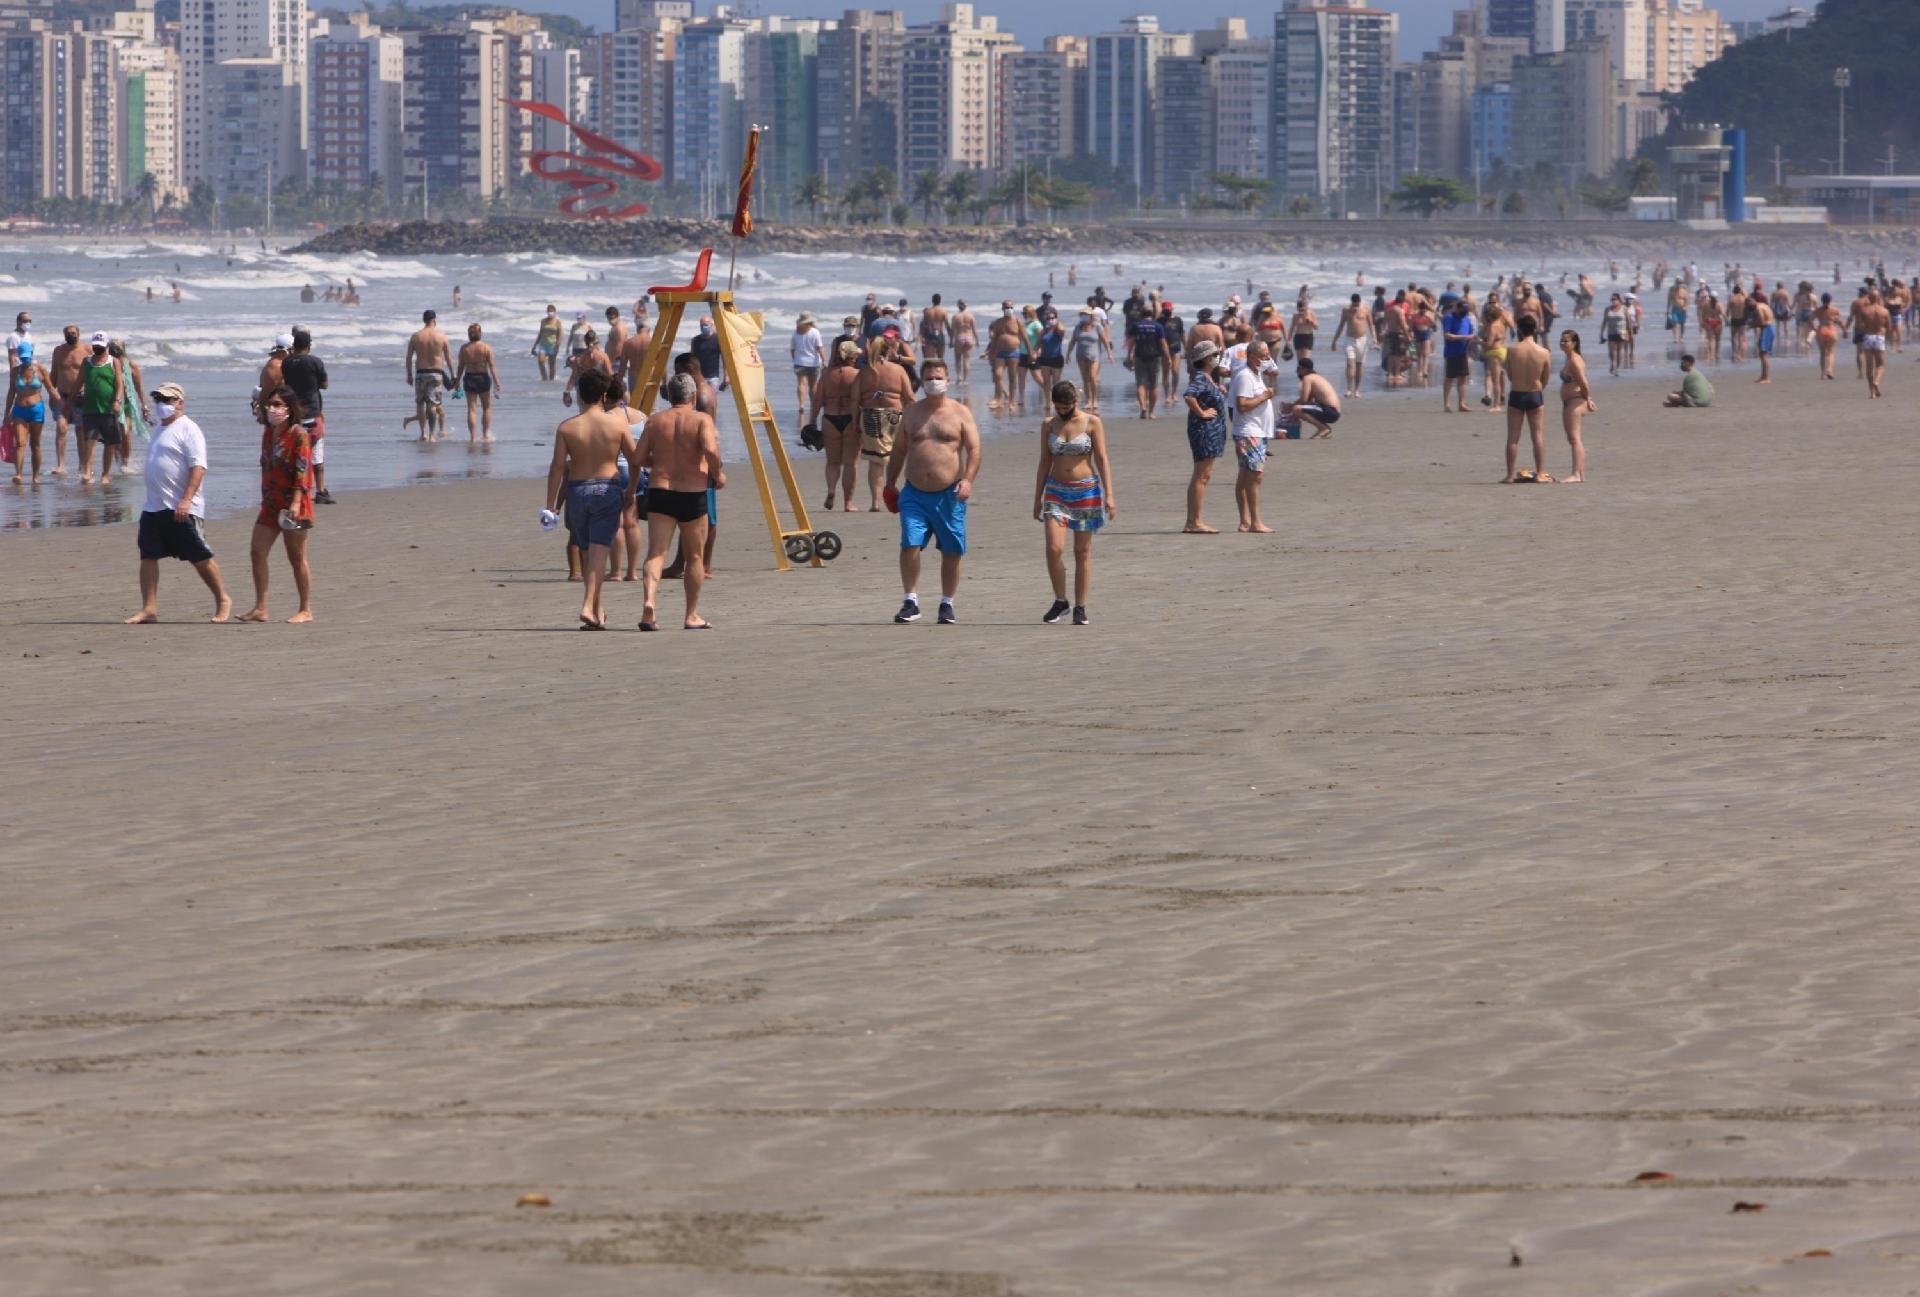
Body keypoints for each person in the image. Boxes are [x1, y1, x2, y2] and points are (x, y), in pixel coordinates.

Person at [125, 381, 231, 624]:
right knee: (148, 555)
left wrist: (186, 500)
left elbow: (198, 467)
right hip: (154, 506)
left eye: (168, 400)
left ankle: (223, 599)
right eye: (159, 400)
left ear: (180, 403)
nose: (163, 405)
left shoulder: (188, 429)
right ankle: (149, 608)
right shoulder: (160, 430)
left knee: (199, 556)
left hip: (181, 507)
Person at [886, 357, 980, 625]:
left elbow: (974, 450)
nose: (934, 381)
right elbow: (899, 450)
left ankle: (946, 603)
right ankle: (910, 601)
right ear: (922, 382)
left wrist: (968, 479)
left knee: (951, 550)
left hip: (949, 494)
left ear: (947, 380)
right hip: (914, 492)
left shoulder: (961, 413)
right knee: (910, 544)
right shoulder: (912, 413)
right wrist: (890, 482)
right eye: (928, 378)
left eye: (938, 377)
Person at [540, 370, 635, 629]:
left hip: (577, 492)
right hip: (606, 489)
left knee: (588, 553)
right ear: (605, 396)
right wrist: (632, 489)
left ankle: (597, 612)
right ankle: (586, 604)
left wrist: (551, 506)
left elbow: (557, 467)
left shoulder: (567, 427)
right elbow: (635, 460)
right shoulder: (617, 424)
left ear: (580, 394)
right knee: (598, 554)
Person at [635, 372, 724, 631]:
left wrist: (659, 463)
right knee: (695, 556)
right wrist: (717, 474)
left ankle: (649, 605)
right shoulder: (701, 419)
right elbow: (709, 448)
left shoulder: (655, 421)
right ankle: (691, 614)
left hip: (661, 490)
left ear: (669, 396)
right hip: (692, 491)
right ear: (694, 396)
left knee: (656, 553)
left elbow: (639, 457)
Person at [1033, 379, 1114, 626]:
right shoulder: (1048, 425)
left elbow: (1102, 459)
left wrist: (1109, 495)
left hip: (1086, 492)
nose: (1062, 411)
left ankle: (1080, 606)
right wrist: (1037, 498)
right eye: (1058, 407)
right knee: (1053, 548)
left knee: (1082, 551)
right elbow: (1044, 462)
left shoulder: (1092, 423)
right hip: (1056, 492)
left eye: (1066, 407)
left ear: (1075, 402)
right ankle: (1060, 600)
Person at [241, 385, 316, 623]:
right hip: (270, 504)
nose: (272, 409)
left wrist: (295, 501)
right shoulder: (268, 434)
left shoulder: (299, 435)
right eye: (270, 404)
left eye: (277, 405)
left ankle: (305, 609)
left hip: (294, 505)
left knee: (296, 557)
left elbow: (302, 470)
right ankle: (260, 607)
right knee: (257, 552)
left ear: (289, 408)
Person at [857, 335, 914, 512]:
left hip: (870, 416)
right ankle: (895, 493)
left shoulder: (866, 371)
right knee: (897, 457)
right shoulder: (898, 370)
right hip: (894, 416)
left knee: (876, 461)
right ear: (889, 350)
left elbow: (854, 399)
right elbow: (909, 397)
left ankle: (875, 502)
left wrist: (854, 421)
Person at [808, 339, 862, 512]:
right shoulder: (856, 374)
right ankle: (848, 502)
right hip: (849, 419)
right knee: (850, 463)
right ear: (850, 356)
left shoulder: (826, 375)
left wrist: (812, 421)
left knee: (832, 462)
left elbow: (817, 400)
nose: (856, 358)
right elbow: (858, 400)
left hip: (830, 418)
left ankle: (831, 490)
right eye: (854, 355)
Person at [1229, 339, 1277, 533]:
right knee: (1254, 476)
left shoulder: (1256, 375)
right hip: (1249, 432)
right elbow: (1242, 405)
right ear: (1252, 357)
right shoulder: (1244, 376)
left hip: (1258, 432)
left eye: (1268, 355)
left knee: (1246, 476)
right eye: (1264, 356)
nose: (1267, 359)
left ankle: (1245, 521)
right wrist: (1264, 397)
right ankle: (1255, 521)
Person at [281, 328, 332, 504]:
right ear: (309, 346)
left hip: (294, 414)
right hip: (312, 411)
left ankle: (300, 490)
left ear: (294, 345)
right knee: (317, 456)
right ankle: (321, 491)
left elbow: (286, 385)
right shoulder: (315, 362)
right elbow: (324, 384)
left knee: (296, 456)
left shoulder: (286, 363)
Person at [1181, 340, 1227, 534]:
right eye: (1215, 355)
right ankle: (1194, 521)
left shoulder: (1208, 378)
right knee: (1201, 475)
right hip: (1204, 431)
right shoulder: (1201, 377)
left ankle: (1194, 520)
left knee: (1203, 475)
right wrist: (1201, 413)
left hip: (1212, 431)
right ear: (1207, 359)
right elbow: (1189, 396)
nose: (1218, 358)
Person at [1501, 317, 1553, 484]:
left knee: (1513, 438)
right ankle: (1540, 473)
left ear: (1520, 330)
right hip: (1534, 394)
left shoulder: (1512, 350)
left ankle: (1510, 475)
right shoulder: (1544, 352)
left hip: (1516, 393)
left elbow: (1509, 375)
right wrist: (1537, 387)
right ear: (1535, 329)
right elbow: (1545, 378)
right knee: (1537, 436)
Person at [75, 331, 122, 485]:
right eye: (95, 346)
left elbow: (119, 385)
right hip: (90, 408)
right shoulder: (86, 362)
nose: (98, 348)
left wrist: (117, 401)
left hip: (108, 409)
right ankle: (87, 472)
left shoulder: (113, 362)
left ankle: (105, 474)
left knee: (109, 443)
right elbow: (78, 382)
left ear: (107, 346)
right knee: (89, 439)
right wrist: (69, 402)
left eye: (100, 346)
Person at [404, 309, 453, 440]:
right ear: (434, 320)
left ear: (424, 321)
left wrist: (409, 374)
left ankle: (423, 433)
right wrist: (453, 376)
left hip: (420, 373)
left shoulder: (415, 336)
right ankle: (432, 435)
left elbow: (408, 357)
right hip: (436, 374)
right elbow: (448, 359)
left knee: (420, 403)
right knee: (433, 405)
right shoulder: (441, 336)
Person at [6, 339, 49, 483]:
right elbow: (11, 393)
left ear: (32, 353)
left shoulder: (40, 369)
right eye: (22, 357)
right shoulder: (15, 371)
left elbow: (50, 388)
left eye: (27, 356)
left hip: (36, 409)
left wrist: (62, 404)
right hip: (19, 410)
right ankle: (18, 474)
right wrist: (7, 414)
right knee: (20, 443)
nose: (25, 359)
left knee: (35, 444)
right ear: (19, 355)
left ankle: (35, 476)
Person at [1557, 330, 1596, 484]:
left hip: (1576, 401)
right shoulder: (1568, 359)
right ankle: (1580, 473)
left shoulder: (1575, 360)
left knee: (1575, 438)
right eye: (1561, 340)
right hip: (1569, 401)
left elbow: (1584, 383)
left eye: (1566, 341)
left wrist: (1588, 399)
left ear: (1574, 343)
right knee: (1572, 438)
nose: (1562, 343)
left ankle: (1576, 474)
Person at [454, 323, 503, 442]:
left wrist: (457, 381)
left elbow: (460, 367)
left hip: (469, 377)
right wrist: (497, 382)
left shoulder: (464, 348)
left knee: (471, 409)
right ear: (480, 334)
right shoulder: (486, 347)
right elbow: (492, 366)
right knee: (486, 408)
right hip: (482, 377)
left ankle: (472, 437)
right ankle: (485, 434)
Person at [107, 339, 149, 472]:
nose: (115, 350)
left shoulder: (132, 367)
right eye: (112, 348)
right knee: (114, 436)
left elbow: (139, 389)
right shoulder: (107, 365)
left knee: (125, 433)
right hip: (111, 405)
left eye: (117, 348)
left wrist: (144, 406)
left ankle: (125, 462)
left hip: (127, 405)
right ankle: (118, 461)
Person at [49, 324, 85, 477]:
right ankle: (61, 465)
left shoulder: (87, 350)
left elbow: (92, 374)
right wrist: (52, 394)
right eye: (68, 333)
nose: (71, 335)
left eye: (73, 333)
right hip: (62, 397)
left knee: (80, 432)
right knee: (61, 427)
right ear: (64, 335)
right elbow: (54, 373)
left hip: (81, 397)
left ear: (78, 334)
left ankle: (83, 465)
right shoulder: (58, 351)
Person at [1127, 306, 1169, 418]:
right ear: (1152, 314)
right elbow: (1163, 343)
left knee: (1140, 383)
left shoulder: (1136, 325)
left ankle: (1143, 408)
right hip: (1155, 357)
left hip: (1139, 356)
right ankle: (1151, 412)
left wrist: (1129, 355)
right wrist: (1168, 357)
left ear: (1142, 314)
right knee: (1154, 385)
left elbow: (1130, 341)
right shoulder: (1158, 326)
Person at [1283, 358, 1341, 439]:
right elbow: (1308, 402)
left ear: (1304, 369)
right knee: (1298, 409)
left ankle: (1323, 428)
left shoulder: (1308, 378)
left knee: (1296, 409)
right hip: (1333, 411)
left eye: (1298, 369)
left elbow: (1304, 400)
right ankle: (1324, 429)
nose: (1297, 372)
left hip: (1330, 410)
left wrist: (1290, 407)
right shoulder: (1316, 377)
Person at [1331, 294, 1375, 398]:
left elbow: (1371, 324)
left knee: (1359, 365)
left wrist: (1375, 338)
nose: (1355, 307)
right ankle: (1349, 388)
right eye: (1354, 305)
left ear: (1360, 302)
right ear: (1351, 302)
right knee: (1350, 364)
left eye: (1357, 305)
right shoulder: (1346, 310)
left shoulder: (1365, 309)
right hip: (1349, 339)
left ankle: (1357, 389)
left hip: (1362, 340)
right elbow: (1341, 325)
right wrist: (1334, 341)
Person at [987, 300, 1024, 413]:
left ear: (1013, 308)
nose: (1008, 309)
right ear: (1002, 309)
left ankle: (1012, 401)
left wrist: (1031, 352)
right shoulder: (998, 322)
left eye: (1010, 307)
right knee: (997, 375)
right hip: (1000, 353)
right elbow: (994, 339)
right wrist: (991, 352)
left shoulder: (1017, 321)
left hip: (1013, 353)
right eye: (1006, 307)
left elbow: (1025, 337)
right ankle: (999, 398)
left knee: (1012, 378)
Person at [1440, 298, 1475, 413]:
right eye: (1463, 309)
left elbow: (1471, 334)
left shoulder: (1467, 319)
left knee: (1463, 378)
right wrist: (1463, 338)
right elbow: (1447, 335)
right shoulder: (1449, 317)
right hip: (1451, 352)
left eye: (1466, 309)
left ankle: (1462, 403)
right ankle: (1447, 404)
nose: (1465, 311)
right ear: (1457, 308)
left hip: (1463, 352)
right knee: (1449, 378)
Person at [562, 328, 611, 408]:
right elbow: (610, 376)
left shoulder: (579, 358)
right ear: (596, 340)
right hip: (599, 389)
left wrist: (566, 392)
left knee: (584, 414)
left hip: (583, 391)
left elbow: (573, 377)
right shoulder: (603, 357)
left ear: (585, 341)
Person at [790, 311, 823, 429]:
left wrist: (795, 359)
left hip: (799, 361)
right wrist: (825, 360)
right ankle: (814, 405)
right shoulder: (815, 332)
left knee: (801, 383)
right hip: (813, 362)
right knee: (813, 385)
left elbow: (792, 349)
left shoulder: (795, 333)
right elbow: (819, 348)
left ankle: (801, 405)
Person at [1857, 288, 1891, 399]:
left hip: (1868, 337)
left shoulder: (1864, 310)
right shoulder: (1884, 311)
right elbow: (1888, 327)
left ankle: (1872, 392)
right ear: (1878, 298)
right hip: (1879, 337)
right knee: (1880, 365)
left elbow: (1860, 326)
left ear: (1869, 298)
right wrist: (1888, 338)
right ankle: (1876, 381)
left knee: (1869, 366)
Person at [1070, 308, 1104, 413]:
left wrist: (1110, 353)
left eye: (1086, 315)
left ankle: (1095, 400)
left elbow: (1105, 340)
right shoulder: (1078, 328)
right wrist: (1068, 354)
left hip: (1094, 356)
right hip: (1081, 356)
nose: (1084, 316)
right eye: (1082, 315)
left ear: (1091, 316)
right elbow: (1072, 341)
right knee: (1085, 379)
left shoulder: (1097, 327)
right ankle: (1089, 400)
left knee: (1093, 377)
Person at [1813, 292, 1842, 380]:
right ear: (1830, 300)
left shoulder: (1817, 310)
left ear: (1822, 300)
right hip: (1831, 330)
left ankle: (1822, 374)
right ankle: (1829, 370)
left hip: (1821, 330)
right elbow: (1839, 321)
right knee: (1831, 352)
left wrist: (1814, 328)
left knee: (1822, 353)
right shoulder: (1835, 310)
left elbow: (1810, 320)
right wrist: (1844, 329)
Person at [1601, 292, 1630, 377]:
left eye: (1614, 299)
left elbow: (1628, 321)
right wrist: (1601, 333)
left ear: (1619, 300)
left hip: (1622, 332)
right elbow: (1604, 322)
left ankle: (1617, 368)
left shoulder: (1624, 309)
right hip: (1611, 332)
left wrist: (1630, 333)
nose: (1612, 301)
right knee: (1611, 351)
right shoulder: (1607, 309)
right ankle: (1612, 363)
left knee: (1618, 351)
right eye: (1611, 299)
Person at [1751, 289, 1776, 384]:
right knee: (1762, 353)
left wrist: (1753, 325)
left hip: (1767, 329)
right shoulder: (1763, 305)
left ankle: (1766, 377)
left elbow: (1761, 322)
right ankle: (1763, 376)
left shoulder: (1758, 308)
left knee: (1763, 354)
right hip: (1770, 328)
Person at [950, 299, 976, 384]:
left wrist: (951, 341)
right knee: (967, 359)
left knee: (958, 359)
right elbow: (974, 330)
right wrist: (977, 340)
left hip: (959, 337)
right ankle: (965, 380)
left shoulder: (956, 316)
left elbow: (953, 330)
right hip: (969, 337)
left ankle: (959, 378)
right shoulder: (971, 316)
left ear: (958, 306)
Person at [919, 293, 949, 364]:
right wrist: (951, 338)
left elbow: (924, 326)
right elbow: (947, 326)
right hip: (940, 335)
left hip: (930, 335)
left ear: (932, 301)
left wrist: (922, 338)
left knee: (930, 360)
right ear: (940, 301)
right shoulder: (943, 311)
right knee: (940, 359)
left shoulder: (928, 312)